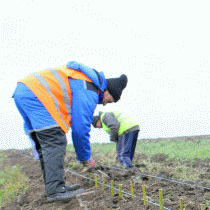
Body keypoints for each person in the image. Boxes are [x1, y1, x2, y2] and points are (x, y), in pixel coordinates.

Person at [12, 61, 128, 202]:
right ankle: (55, 191)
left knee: (46, 145)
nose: (104, 104)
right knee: (54, 140)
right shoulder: (89, 88)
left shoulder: (84, 80)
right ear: (107, 91)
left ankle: (54, 188)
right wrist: (85, 158)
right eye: (108, 101)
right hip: (36, 94)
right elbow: (80, 129)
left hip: (25, 91)